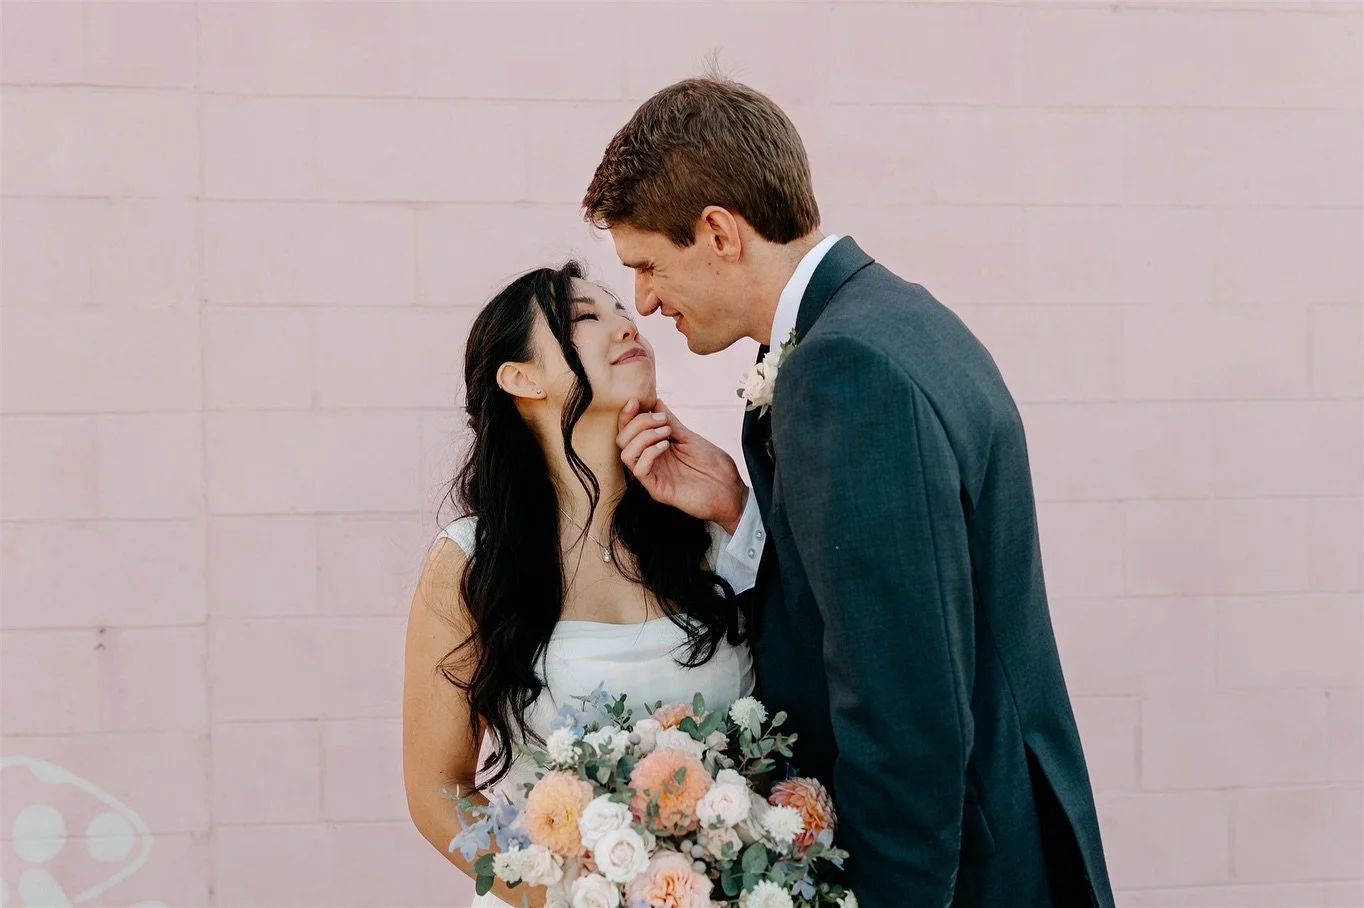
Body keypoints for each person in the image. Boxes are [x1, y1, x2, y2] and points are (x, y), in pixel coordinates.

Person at [590, 76, 1116, 908]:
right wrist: (742, 507)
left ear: (719, 232)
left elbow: (903, 713)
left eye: (649, 265)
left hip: (958, 876)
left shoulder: (843, 372)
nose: (646, 302)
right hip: (1009, 836)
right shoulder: (899, 316)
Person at [401, 262, 765, 908]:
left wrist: (738, 507)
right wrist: (570, 897)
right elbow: (437, 786)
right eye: (585, 318)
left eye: (620, 311)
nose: (627, 325)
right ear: (521, 377)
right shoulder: (472, 562)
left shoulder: (707, 530)